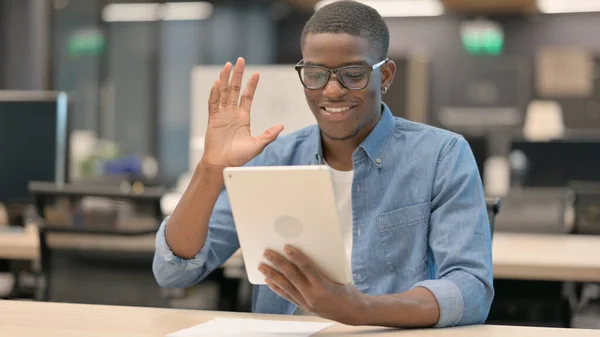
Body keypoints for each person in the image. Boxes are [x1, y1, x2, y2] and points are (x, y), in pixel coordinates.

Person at [153, 0, 493, 329]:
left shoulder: (441, 156)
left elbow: (470, 288)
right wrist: (210, 171)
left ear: (385, 75)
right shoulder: (273, 159)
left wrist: (360, 309)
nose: (331, 91)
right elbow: (174, 272)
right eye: (315, 74)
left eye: (353, 74)